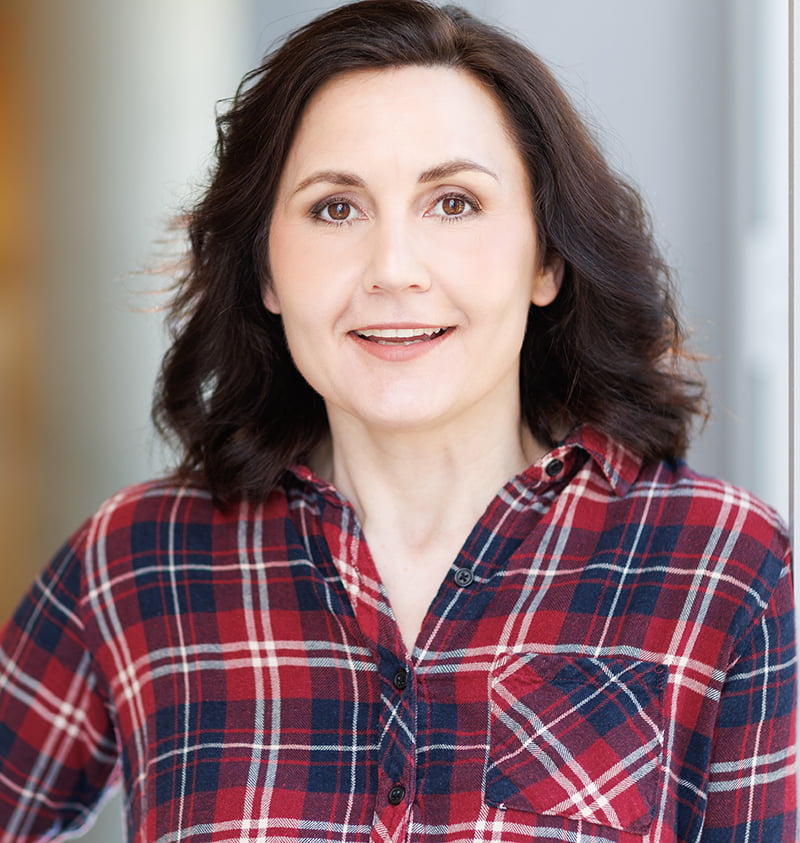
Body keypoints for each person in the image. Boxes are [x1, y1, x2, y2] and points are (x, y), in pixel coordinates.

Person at [0, 0, 795, 840]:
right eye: (335, 208)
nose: (393, 269)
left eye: (453, 203)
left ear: (547, 258)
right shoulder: (136, 562)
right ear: (267, 271)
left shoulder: (722, 562)